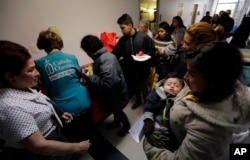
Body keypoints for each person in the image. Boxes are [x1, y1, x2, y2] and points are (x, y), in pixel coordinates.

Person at [143, 42, 250, 160]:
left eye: (191, 74)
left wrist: (148, 146)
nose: (185, 77)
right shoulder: (204, 87)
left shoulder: (209, 132)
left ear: (213, 80)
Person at [0, 40, 91, 160]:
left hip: (57, 137)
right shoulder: (10, 107)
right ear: (10, 76)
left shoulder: (23, 87)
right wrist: (77, 147)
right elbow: (39, 146)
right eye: (31, 70)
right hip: (46, 153)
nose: (37, 73)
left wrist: (57, 114)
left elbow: (37, 105)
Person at [35, 27, 92, 143]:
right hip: (84, 100)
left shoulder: (39, 64)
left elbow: (41, 84)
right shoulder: (71, 57)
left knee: (73, 136)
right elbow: (78, 76)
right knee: (88, 130)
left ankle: (78, 150)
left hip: (64, 110)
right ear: (59, 42)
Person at [80, 35, 131, 137]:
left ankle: (126, 126)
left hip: (116, 95)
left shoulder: (105, 59)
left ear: (89, 51)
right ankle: (117, 123)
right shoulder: (104, 56)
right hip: (114, 95)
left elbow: (108, 84)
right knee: (115, 110)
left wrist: (90, 78)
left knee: (118, 111)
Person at [112, 13, 155, 110]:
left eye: (122, 28)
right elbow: (115, 53)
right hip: (130, 71)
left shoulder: (143, 37)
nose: (121, 30)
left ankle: (148, 107)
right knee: (135, 88)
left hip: (142, 70)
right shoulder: (123, 40)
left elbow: (152, 50)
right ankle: (138, 101)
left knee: (144, 89)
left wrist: (146, 55)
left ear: (130, 25)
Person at [143, 72, 189, 151]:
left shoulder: (181, 100)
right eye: (169, 84)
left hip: (171, 131)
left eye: (176, 85)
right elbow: (149, 105)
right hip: (155, 125)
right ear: (163, 85)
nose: (172, 86)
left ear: (182, 89)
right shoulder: (157, 93)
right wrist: (148, 118)